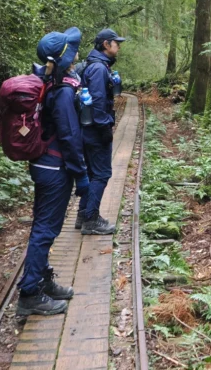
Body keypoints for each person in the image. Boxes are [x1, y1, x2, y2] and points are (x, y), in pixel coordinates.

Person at [16, 27, 91, 317]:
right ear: (66, 58)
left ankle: (42, 280)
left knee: (44, 226)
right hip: (54, 167)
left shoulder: (51, 80)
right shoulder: (61, 90)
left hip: (45, 164)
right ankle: (30, 292)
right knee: (46, 229)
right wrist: (81, 174)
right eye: (72, 52)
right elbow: (70, 136)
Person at [74, 28, 125, 235]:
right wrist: (104, 127)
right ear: (106, 44)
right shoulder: (98, 69)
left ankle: (83, 214)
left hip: (89, 129)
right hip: (95, 130)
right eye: (116, 43)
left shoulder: (97, 65)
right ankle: (91, 219)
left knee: (92, 172)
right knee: (102, 173)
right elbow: (97, 101)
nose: (118, 46)